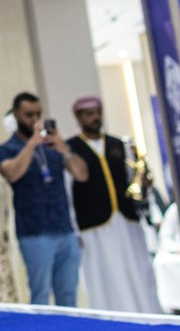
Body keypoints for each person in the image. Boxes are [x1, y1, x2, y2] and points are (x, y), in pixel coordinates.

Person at [67, 97, 160, 313]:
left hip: (127, 220)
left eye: (98, 112)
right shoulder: (70, 149)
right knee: (106, 275)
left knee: (137, 270)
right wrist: (73, 228)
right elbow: (68, 193)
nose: (95, 117)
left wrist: (144, 183)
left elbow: (133, 181)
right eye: (89, 113)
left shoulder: (120, 145)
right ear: (79, 117)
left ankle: (147, 313)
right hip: (94, 225)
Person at [0, 93, 87, 305]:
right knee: (40, 295)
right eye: (28, 115)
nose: (34, 119)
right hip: (34, 233)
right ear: (16, 115)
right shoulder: (6, 149)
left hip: (65, 229)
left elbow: (82, 175)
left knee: (68, 295)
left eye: (38, 114)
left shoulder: (53, 146)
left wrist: (64, 148)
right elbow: (11, 173)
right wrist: (31, 144)